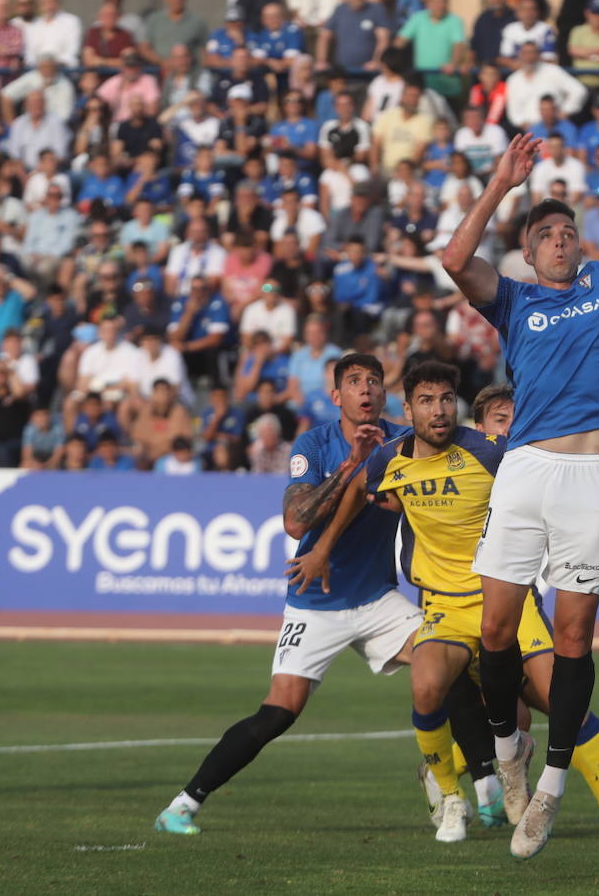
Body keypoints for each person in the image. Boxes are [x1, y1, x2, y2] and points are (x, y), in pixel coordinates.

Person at [438, 118, 599, 858]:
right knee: (495, 632)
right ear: (527, 250)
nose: (558, 238)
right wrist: (502, 184)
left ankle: (551, 784)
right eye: (545, 232)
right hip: (525, 471)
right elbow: (456, 257)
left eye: (566, 230)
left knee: (576, 638)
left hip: (591, 474)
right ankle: (507, 750)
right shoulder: (514, 300)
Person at [295, 362, 599, 845]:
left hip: (508, 604)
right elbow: (357, 492)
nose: (439, 410)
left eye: (447, 398)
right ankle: (451, 798)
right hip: (444, 608)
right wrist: (323, 550)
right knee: (426, 685)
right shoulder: (387, 459)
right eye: (428, 401)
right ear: (407, 409)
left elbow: (562, 478)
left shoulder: (490, 453)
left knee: (564, 702)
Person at [154, 354, 423, 835]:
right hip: (316, 600)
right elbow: (297, 521)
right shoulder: (314, 444)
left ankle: (465, 782)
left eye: (374, 382)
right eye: (354, 382)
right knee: (279, 712)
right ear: (337, 396)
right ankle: (183, 804)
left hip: (378, 597)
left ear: (385, 395)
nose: (366, 389)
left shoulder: (405, 441)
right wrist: (352, 466)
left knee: (450, 664)